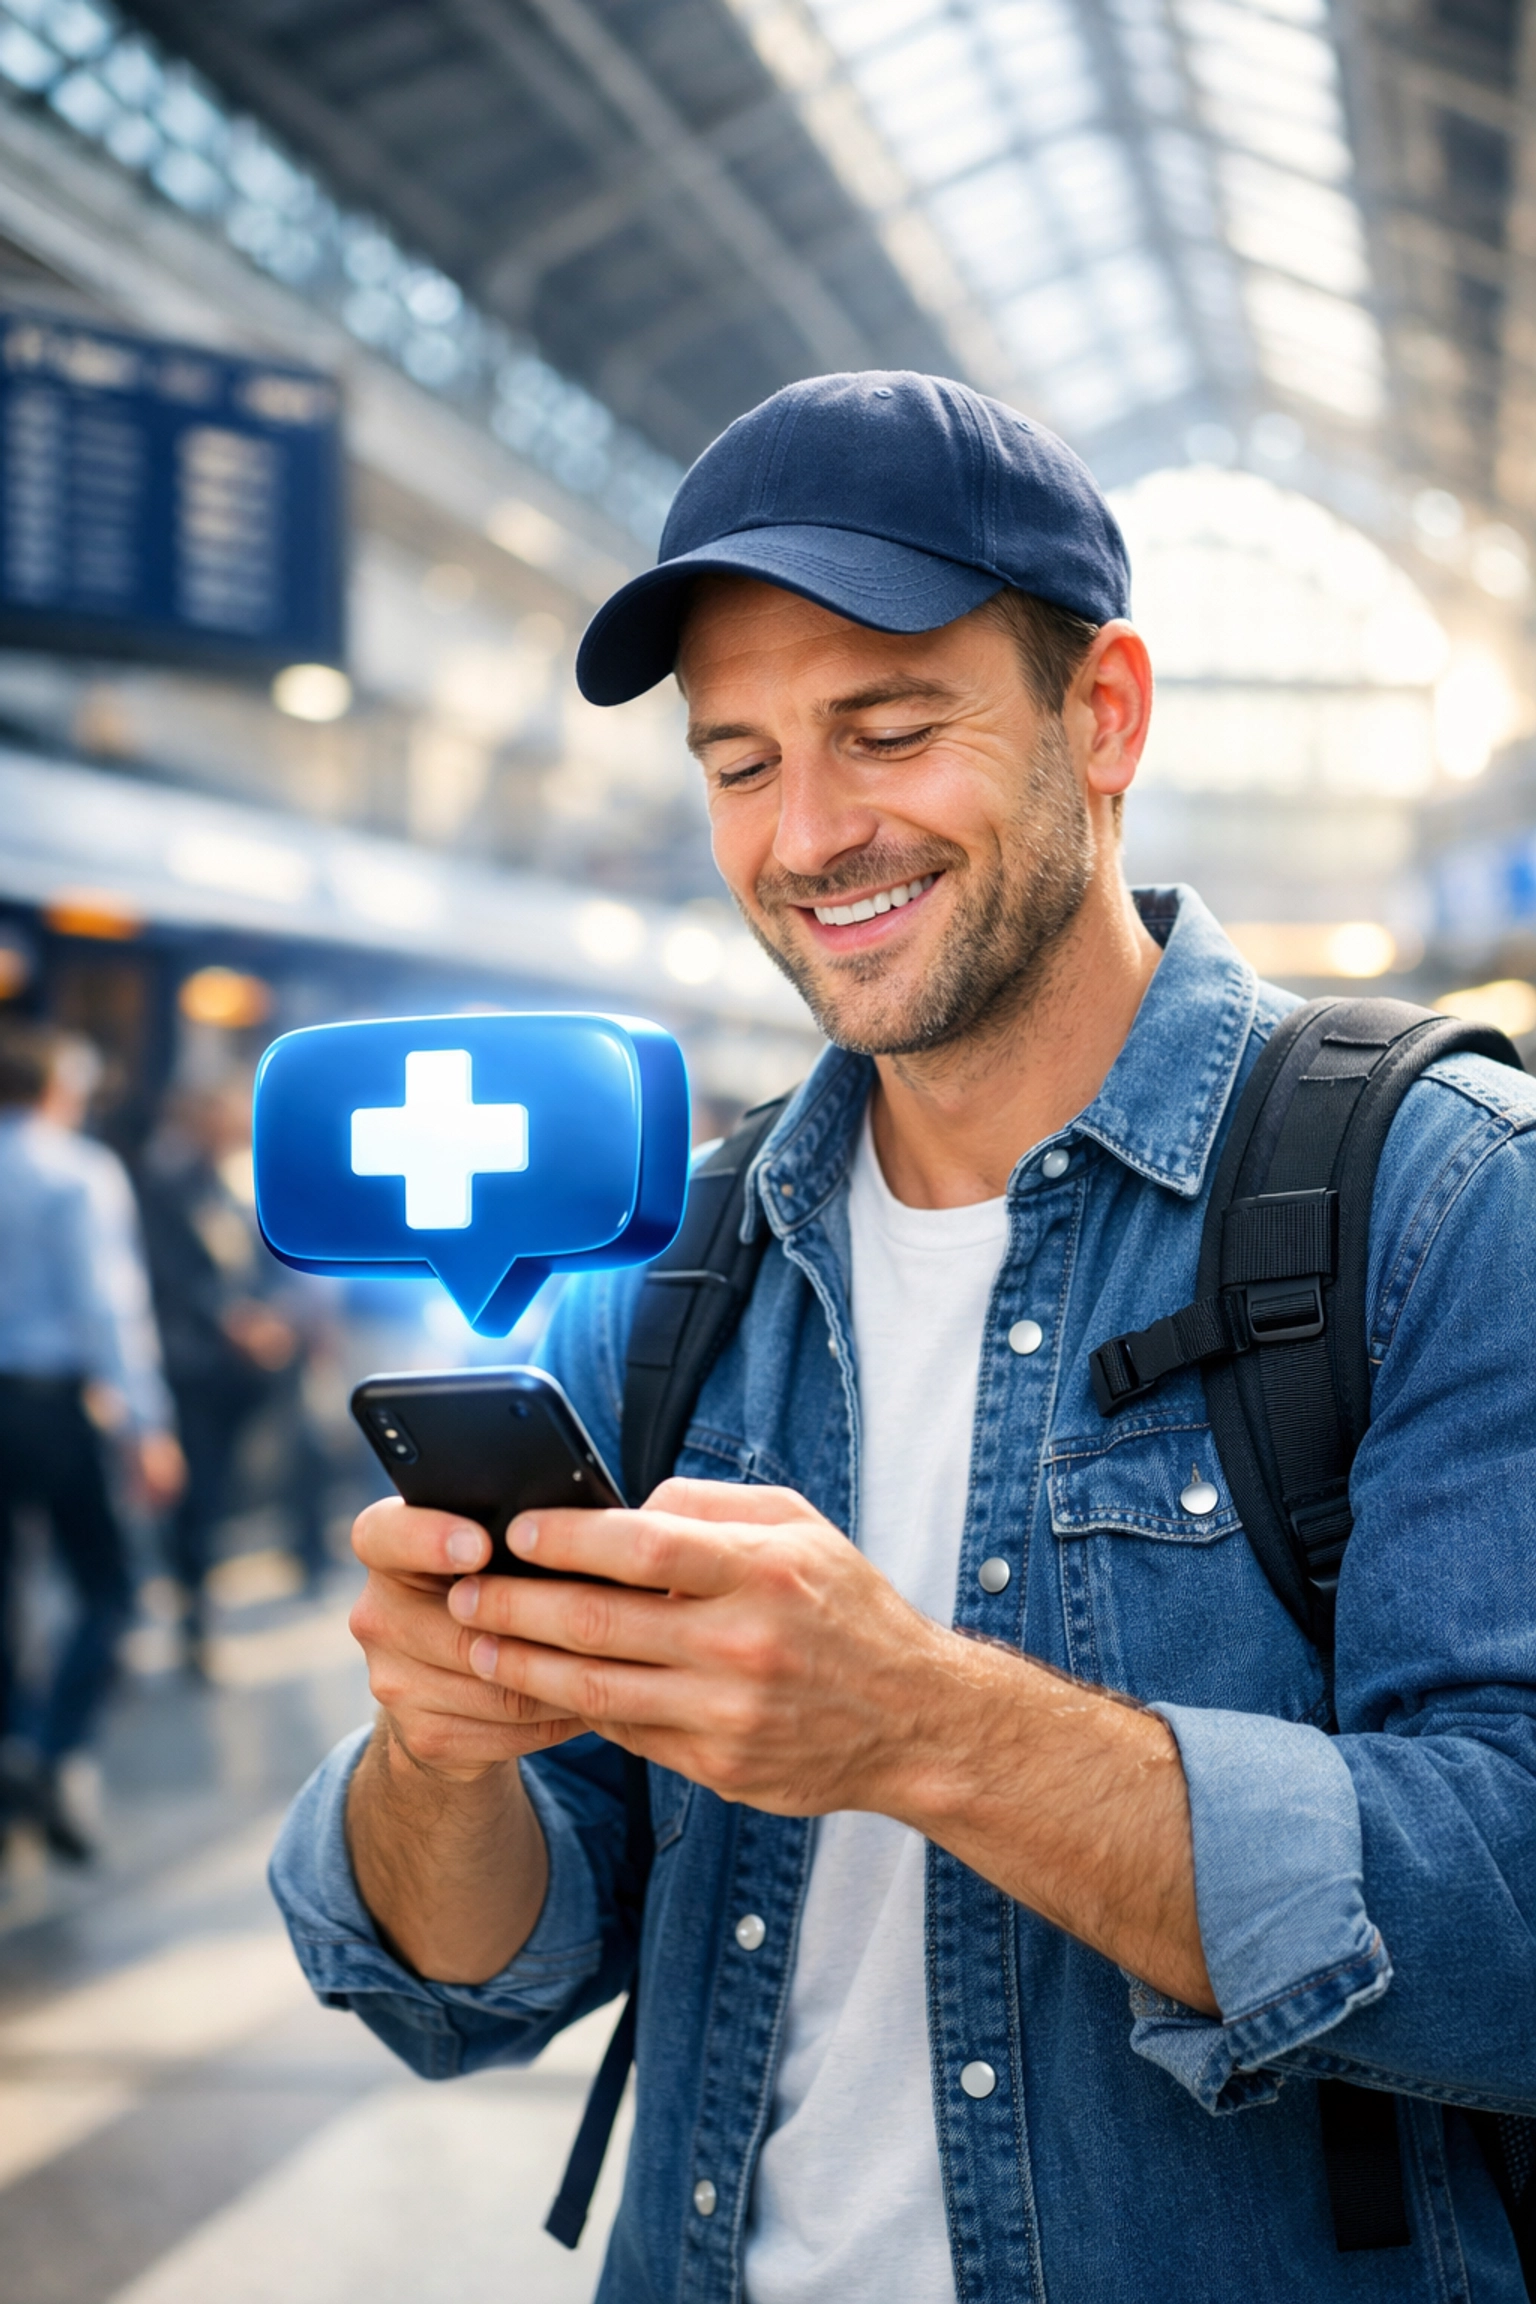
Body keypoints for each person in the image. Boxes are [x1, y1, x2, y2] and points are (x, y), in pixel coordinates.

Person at [270, 374, 1536, 2300]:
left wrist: (929, 1725)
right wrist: (441, 1755)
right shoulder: (677, 1269)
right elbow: (462, 1983)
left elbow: (1513, 1914)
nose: (807, 833)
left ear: (1102, 716)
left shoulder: (1441, 1202)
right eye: (739, 760)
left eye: (887, 729)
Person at [0, 1024, 183, 1859]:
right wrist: (147, 1426)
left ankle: (13, 1746)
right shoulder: (76, 1171)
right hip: (53, 1405)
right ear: (57, 1089)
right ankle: (52, 1746)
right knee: (110, 1587)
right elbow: (107, 1307)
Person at [136, 1084, 309, 1669]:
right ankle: (193, 1605)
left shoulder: (245, 1184)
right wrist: (233, 1320)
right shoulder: (167, 1185)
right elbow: (170, 1276)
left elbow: (271, 1261)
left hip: (247, 1369)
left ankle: (204, 1589)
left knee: (231, 1484)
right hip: (196, 1364)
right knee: (200, 1488)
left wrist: (275, 1316)